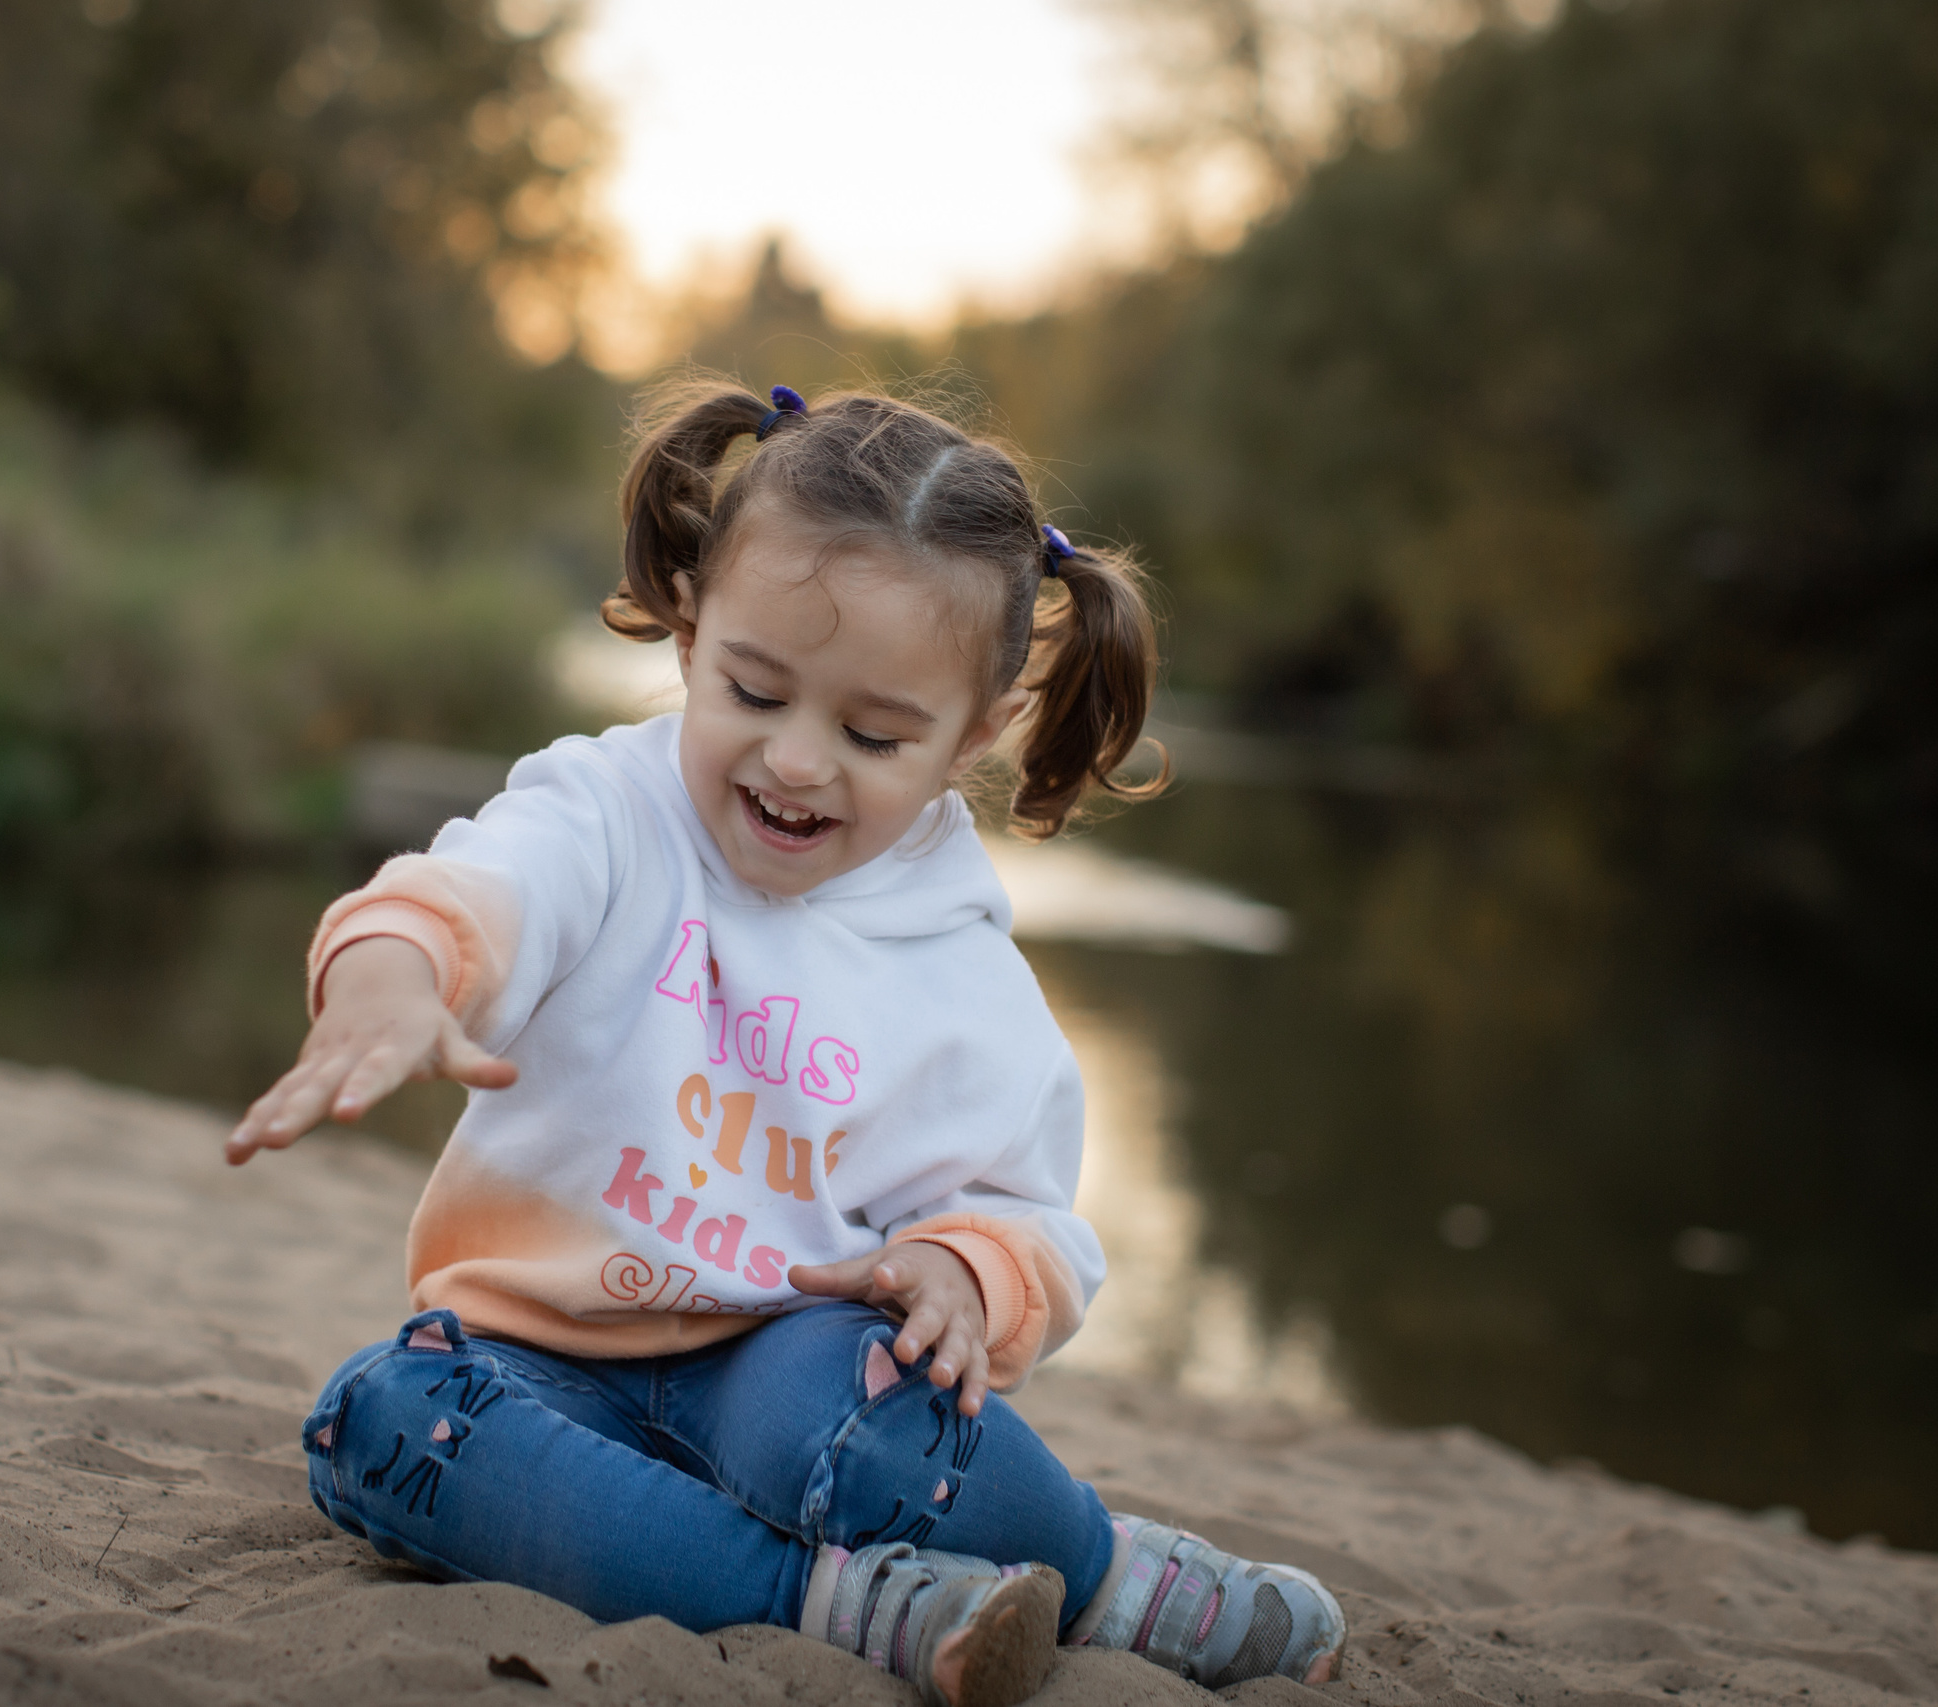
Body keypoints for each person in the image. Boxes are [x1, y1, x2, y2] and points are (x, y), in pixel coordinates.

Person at [227, 381, 1347, 1707]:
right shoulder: (613, 812)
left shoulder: (960, 966)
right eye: (756, 692)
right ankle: (831, 1605)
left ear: (972, 736)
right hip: (533, 1348)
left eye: (874, 734)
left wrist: (963, 1272)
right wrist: (394, 974)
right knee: (384, 1429)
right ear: (694, 632)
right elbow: (479, 888)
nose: (800, 762)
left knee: (898, 1439)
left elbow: (1031, 1214)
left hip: (792, 1364)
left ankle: (1109, 1580)